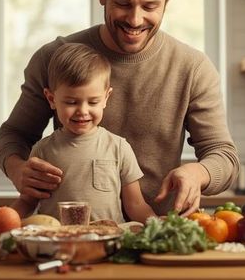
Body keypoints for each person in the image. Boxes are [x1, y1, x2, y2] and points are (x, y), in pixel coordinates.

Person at [0, 0, 239, 216]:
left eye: (150, 7)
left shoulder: (192, 68)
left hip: (152, 236)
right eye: (123, 3)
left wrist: (198, 173)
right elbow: (14, 135)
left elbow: (225, 157)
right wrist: (17, 170)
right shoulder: (54, 58)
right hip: (73, 234)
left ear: (166, 2)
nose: (135, 20)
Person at [10, 43, 156, 223]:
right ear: (51, 99)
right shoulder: (42, 151)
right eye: (71, 102)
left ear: (106, 98)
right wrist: (2, 221)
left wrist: (158, 224)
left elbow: (136, 206)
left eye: (93, 102)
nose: (83, 111)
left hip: (108, 242)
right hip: (58, 243)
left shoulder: (119, 147)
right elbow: (27, 201)